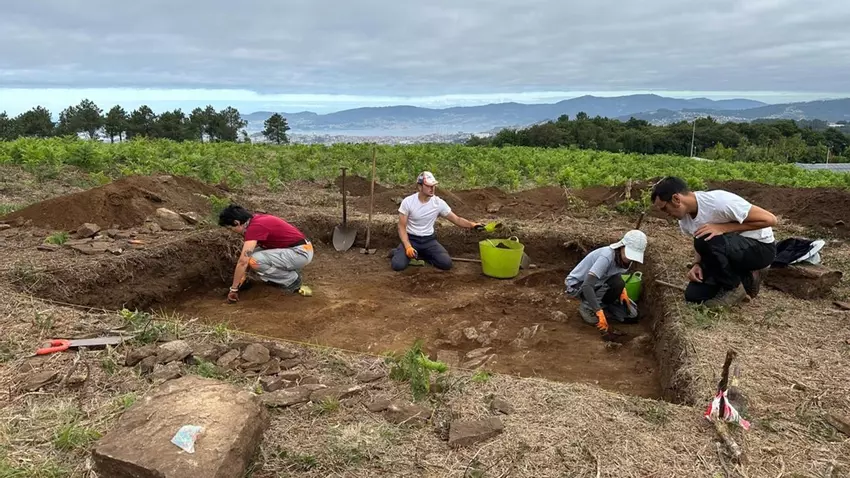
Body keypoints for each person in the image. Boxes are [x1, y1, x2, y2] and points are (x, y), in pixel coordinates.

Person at [650, 176, 777, 308]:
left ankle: (734, 288)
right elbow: (700, 242)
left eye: (664, 208)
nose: (666, 214)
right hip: (728, 250)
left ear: (676, 199)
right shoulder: (684, 220)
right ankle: (746, 277)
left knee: (706, 238)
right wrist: (697, 264)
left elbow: (770, 219)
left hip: (759, 248)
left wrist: (723, 228)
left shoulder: (719, 202)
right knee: (693, 296)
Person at [218, 204, 313, 303]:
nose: (232, 231)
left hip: (300, 253)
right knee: (252, 255)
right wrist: (242, 278)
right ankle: (285, 275)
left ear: (236, 222)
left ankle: (292, 281)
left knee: (254, 260)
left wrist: (233, 289)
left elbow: (243, 262)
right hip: (296, 249)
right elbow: (246, 256)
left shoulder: (255, 228)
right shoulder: (254, 220)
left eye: (230, 228)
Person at [391, 171, 484, 271]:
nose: (432, 189)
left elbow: (456, 219)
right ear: (420, 187)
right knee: (397, 265)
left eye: (433, 186)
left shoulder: (438, 203)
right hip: (411, 239)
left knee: (446, 264)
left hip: (428, 241)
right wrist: (408, 246)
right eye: (429, 186)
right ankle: (398, 252)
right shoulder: (408, 202)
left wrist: (473, 224)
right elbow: (401, 227)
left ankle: (420, 254)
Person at [565, 230, 647, 333]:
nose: (629, 258)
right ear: (622, 246)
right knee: (594, 320)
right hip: (578, 285)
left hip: (600, 282)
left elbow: (615, 275)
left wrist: (622, 291)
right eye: (629, 254)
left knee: (632, 315)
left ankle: (604, 305)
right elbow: (587, 285)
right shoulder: (606, 257)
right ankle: (588, 307)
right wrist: (598, 311)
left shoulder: (626, 260)